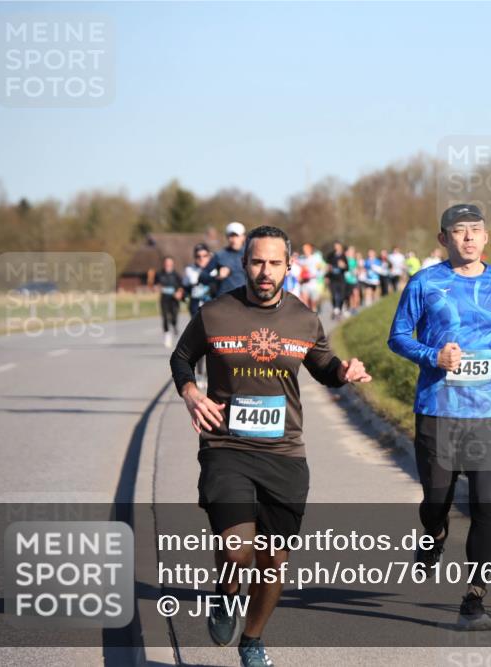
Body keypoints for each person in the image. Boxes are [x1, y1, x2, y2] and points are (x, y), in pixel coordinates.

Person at [170, 225, 372, 667]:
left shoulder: (303, 318)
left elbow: (322, 366)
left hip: (284, 453)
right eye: (257, 262)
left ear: (289, 266)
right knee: (238, 547)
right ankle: (225, 595)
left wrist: (345, 371)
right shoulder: (215, 313)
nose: (265, 271)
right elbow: (182, 357)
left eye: (274, 263)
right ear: (244, 264)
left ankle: (253, 640)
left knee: (272, 561)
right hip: (226, 446)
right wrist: (191, 393)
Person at [388, 203, 491, 631]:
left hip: (487, 409)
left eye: (476, 231)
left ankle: (474, 600)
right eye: (459, 231)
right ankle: (434, 537)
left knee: (487, 503)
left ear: (487, 237)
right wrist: (434, 355)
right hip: (438, 408)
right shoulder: (425, 282)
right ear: (443, 239)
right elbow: (397, 337)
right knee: (436, 500)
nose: (468, 238)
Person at [182, 243, 217, 383]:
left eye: (204, 256)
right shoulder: (189, 270)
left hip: (214, 310)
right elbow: (185, 288)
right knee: (199, 343)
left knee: (214, 344)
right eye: (198, 256)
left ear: (210, 256)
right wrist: (183, 295)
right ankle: (200, 374)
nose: (201, 259)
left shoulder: (215, 270)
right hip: (196, 310)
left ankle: (212, 374)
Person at [208, 221, 247, 297]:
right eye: (231, 236)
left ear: (243, 237)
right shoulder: (219, 255)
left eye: (236, 236)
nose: (233, 239)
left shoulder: (250, 255)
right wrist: (217, 275)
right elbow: (203, 276)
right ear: (227, 237)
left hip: (245, 299)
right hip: (224, 299)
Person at [157, 256, 183, 348]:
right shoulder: (160, 274)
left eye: (169, 263)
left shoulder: (176, 275)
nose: (167, 265)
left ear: (172, 264)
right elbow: (156, 285)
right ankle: (167, 335)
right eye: (166, 263)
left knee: (174, 317)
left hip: (174, 300)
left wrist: (179, 293)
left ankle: (174, 325)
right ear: (164, 264)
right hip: (164, 299)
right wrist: (158, 288)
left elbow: (181, 287)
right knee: (165, 317)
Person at [326, 242, 347, 320]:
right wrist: (327, 276)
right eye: (335, 246)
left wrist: (343, 266)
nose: (336, 248)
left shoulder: (343, 256)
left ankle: (339, 309)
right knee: (334, 295)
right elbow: (327, 267)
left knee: (341, 295)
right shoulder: (331, 255)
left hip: (341, 279)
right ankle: (335, 309)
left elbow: (347, 268)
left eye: (338, 246)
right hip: (333, 278)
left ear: (340, 247)